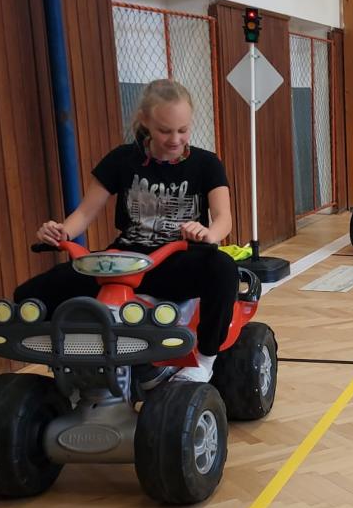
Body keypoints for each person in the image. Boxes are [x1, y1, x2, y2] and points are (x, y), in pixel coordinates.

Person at [17, 79, 238, 384]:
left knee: (224, 269)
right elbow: (84, 213)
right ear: (145, 121)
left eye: (183, 130)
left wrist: (208, 234)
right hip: (124, 263)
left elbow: (224, 218)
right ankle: (72, 358)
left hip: (176, 261)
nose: (175, 139)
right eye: (165, 130)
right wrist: (61, 231)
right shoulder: (122, 159)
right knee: (27, 295)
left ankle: (204, 361)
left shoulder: (206, 163)